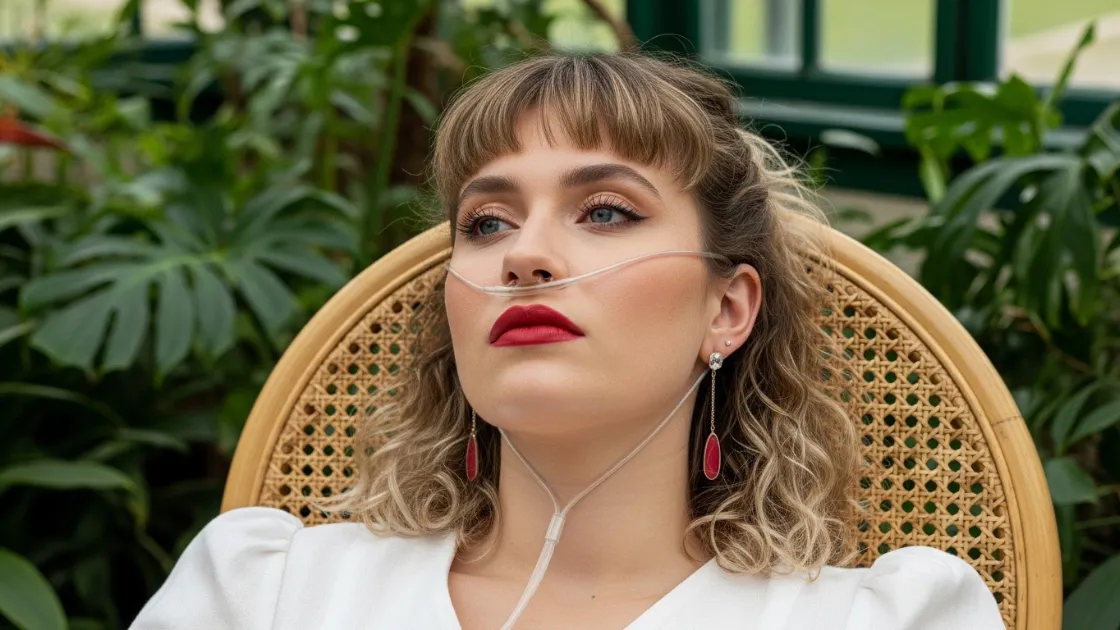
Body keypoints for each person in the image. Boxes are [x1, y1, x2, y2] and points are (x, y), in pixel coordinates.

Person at [130, 53, 1006, 630]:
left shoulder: (880, 622)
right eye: (486, 223)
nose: (527, 255)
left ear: (727, 310)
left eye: (606, 211)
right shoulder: (269, 592)